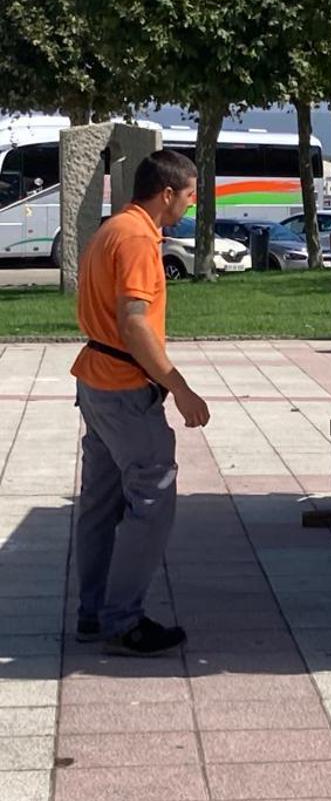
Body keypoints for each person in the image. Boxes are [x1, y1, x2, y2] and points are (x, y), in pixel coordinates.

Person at [71, 150, 211, 657]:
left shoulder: (113, 230)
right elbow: (133, 322)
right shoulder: (135, 240)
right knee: (153, 499)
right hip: (124, 389)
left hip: (97, 382)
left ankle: (94, 612)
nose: (193, 204)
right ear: (167, 194)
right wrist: (180, 387)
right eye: (190, 194)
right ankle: (122, 618)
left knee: (101, 503)